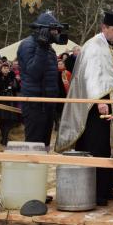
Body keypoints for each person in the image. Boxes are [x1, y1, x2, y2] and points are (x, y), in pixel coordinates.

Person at [56, 11, 113, 206]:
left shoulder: (109, 46)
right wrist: (99, 101)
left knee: (104, 147)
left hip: (106, 105)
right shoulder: (95, 46)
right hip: (94, 108)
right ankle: (94, 192)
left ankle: (104, 188)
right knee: (95, 147)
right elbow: (92, 76)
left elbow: (108, 75)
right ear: (103, 27)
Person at [17, 12, 66, 147]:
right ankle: (31, 168)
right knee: (34, 145)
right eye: (53, 30)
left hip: (47, 103)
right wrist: (42, 48)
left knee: (44, 145)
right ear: (42, 30)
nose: (55, 34)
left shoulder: (47, 47)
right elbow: (34, 73)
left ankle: (41, 168)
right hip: (35, 103)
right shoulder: (28, 45)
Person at [0, 63, 20, 145]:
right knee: (3, 120)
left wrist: (14, 83)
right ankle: (4, 138)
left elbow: (16, 89)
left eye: (7, 68)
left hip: (10, 102)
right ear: (1, 69)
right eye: (4, 68)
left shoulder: (12, 77)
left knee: (8, 121)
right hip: (0, 102)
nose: (6, 69)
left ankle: (5, 138)